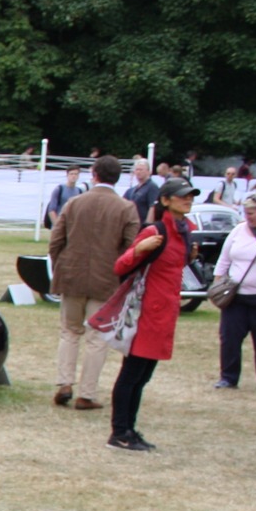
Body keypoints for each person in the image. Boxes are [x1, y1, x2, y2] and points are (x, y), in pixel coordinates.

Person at [106, 176, 198, 451]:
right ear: (166, 201)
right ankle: (119, 432)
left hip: (165, 314)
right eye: (183, 195)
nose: (188, 199)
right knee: (131, 375)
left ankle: (129, 429)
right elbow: (120, 267)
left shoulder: (184, 231)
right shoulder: (155, 231)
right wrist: (140, 249)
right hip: (146, 314)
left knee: (143, 377)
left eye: (191, 195)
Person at [49, 154, 140, 410]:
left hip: (72, 276)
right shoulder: (126, 208)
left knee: (69, 331)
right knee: (96, 337)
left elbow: (56, 241)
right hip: (106, 280)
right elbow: (132, 249)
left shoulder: (75, 203)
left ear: (94, 174)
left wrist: (60, 268)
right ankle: (86, 394)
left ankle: (65, 382)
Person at [212, 192, 256, 391]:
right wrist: (218, 285)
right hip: (236, 295)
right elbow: (224, 259)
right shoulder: (238, 230)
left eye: (251, 213)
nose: (247, 217)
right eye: (245, 212)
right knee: (230, 337)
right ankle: (228, 377)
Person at [124, 158, 159, 222]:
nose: (138, 172)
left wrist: (147, 226)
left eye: (141, 170)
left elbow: (153, 207)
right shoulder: (131, 190)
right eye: (137, 169)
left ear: (148, 171)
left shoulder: (152, 187)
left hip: (143, 226)